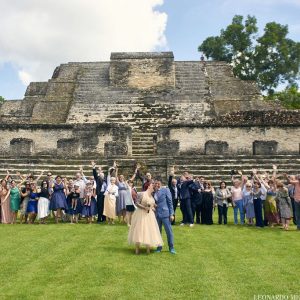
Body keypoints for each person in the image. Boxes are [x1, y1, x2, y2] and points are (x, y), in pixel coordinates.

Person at [128, 181, 163, 255]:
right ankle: (137, 249)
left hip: (150, 215)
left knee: (149, 230)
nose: (153, 187)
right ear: (148, 186)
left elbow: (153, 205)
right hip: (140, 214)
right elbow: (136, 203)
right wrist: (144, 207)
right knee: (139, 230)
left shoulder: (152, 196)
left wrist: (153, 207)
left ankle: (148, 249)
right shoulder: (141, 193)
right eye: (152, 185)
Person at [153, 178, 176, 254]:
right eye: (156, 183)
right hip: (157, 214)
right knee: (158, 232)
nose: (157, 184)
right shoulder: (154, 192)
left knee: (169, 232)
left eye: (158, 183)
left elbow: (170, 202)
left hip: (165, 214)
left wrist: (171, 214)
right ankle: (159, 247)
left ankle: (171, 247)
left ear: (161, 184)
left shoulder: (166, 190)